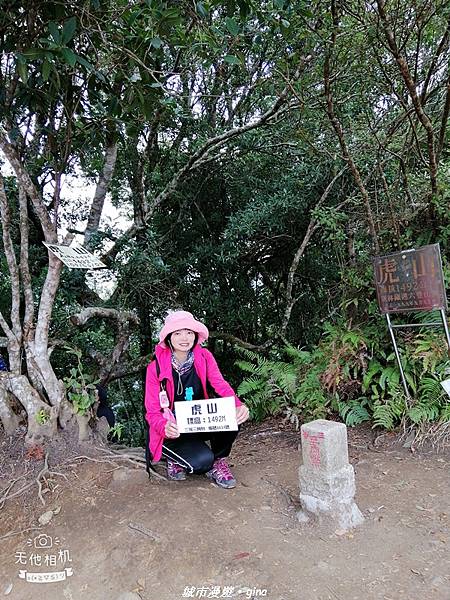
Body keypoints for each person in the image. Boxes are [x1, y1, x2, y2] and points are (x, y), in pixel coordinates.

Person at [144, 310, 249, 489]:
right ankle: (173, 457)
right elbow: (152, 412)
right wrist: (164, 427)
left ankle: (218, 460)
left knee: (232, 414)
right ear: (169, 337)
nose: (184, 338)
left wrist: (238, 405)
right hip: (173, 429)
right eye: (177, 333)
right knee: (201, 462)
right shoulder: (155, 368)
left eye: (189, 332)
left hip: (198, 421)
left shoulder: (204, 356)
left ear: (195, 335)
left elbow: (220, 384)